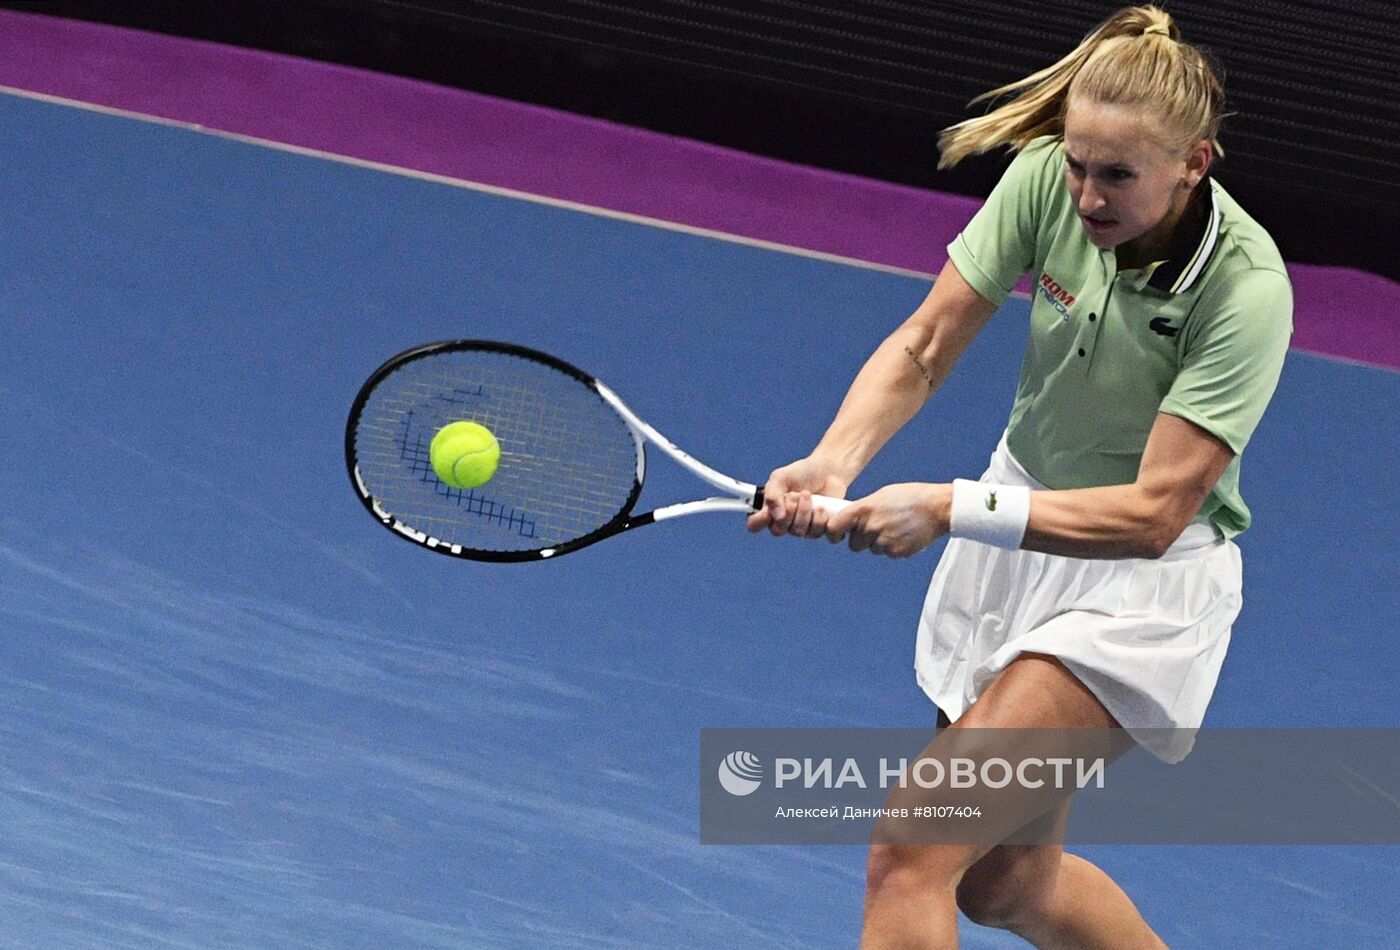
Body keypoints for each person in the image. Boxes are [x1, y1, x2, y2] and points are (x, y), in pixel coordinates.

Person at [747, 5, 1292, 948]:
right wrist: (833, 463)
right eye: (1078, 164)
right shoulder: (1045, 182)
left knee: (910, 846)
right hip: (1020, 539)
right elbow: (925, 342)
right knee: (1007, 885)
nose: (1086, 198)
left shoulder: (1246, 290)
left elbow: (1154, 515)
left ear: (1194, 164)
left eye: (1117, 175)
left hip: (1141, 587)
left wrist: (952, 506)